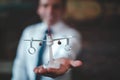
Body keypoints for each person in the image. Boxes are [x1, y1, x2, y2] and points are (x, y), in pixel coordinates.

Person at [12, 0, 82, 80]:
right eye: (45, 6)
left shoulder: (72, 34)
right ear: (39, 9)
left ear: (64, 10)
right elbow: (20, 64)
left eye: (56, 7)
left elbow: (69, 51)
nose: (50, 11)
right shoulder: (29, 32)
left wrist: (62, 60)